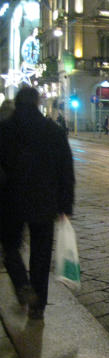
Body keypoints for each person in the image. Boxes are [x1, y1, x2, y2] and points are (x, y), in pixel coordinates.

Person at [0, 87, 75, 320]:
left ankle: (23, 285)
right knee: (41, 254)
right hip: (45, 202)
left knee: (10, 248)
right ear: (37, 102)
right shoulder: (53, 131)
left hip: (10, 202)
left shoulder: (3, 130)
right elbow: (66, 171)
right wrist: (65, 206)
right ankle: (38, 306)